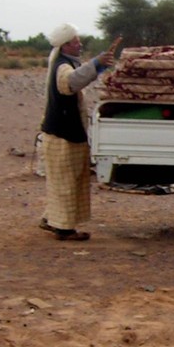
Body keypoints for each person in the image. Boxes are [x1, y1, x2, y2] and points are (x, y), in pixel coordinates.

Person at [39, 23, 117, 241]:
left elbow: (79, 76)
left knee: (63, 180)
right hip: (63, 134)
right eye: (76, 41)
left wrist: (97, 65)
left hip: (63, 131)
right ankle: (63, 229)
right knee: (66, 182)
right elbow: (71, 83)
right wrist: (96, 64)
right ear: (65, 45)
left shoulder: (62, 63)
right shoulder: (63, 67)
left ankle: (52, 219)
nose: (79, 44)